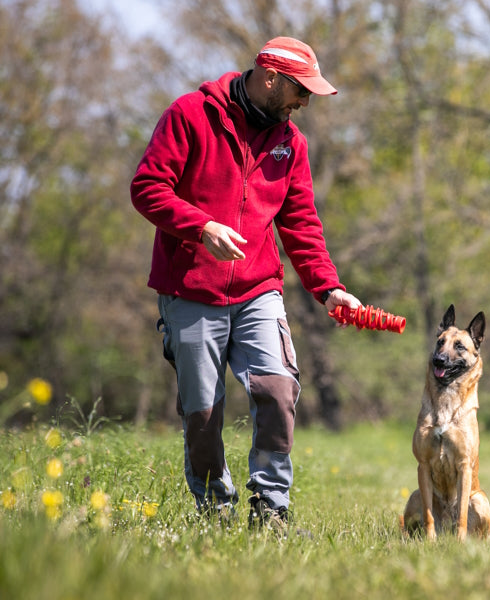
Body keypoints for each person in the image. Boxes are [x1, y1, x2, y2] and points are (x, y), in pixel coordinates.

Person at [130, 36, 362, 527]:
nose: (305, 103)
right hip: (190, 291)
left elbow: (300, 222)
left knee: (279, 390)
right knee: (203, 412)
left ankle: (270, 508)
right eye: (302, 92)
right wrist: (201, 227)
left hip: (259, 290)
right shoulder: (191, 115)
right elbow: (147, 187)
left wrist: (328, 286)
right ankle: (214, 509)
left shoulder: (289, 142)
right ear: (271, 78)